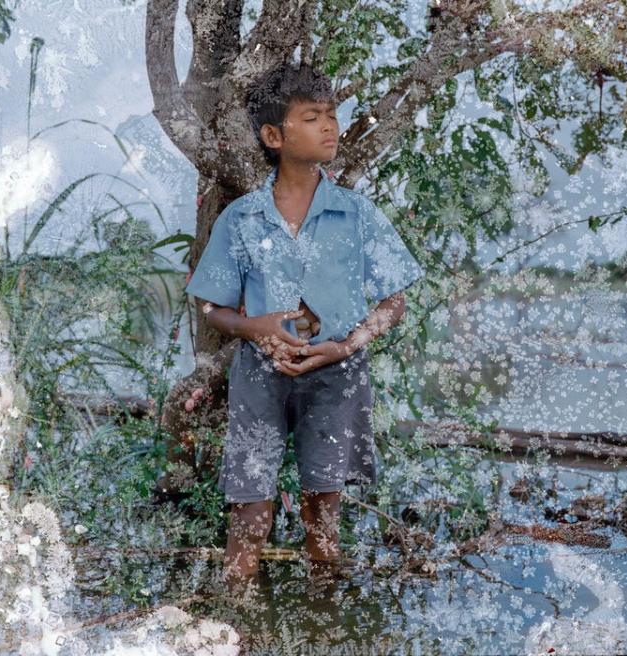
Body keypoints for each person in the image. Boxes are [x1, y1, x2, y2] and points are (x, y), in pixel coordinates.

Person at [183, 60, 423, 586]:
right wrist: (258, 325)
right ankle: (233, 615)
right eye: (312, 117)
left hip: (337, 377)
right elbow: (210, 306)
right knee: (248, 509)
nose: (330, 127)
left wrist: (347, 344)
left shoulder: (355, 214)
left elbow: (394, 300)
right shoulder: (242, 217)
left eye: (332, 115)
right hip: (260, 375)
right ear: (274, 135)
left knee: (324, 509)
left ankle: (324, 605)